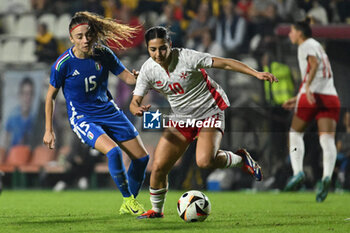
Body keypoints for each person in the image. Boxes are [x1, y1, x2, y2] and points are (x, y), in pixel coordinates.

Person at [129, 26, 278, 218]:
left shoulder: (187, 57)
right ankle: (156, 211)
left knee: (205, 161)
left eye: (163, 48)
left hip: (210, 111)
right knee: (158, 167)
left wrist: (256, 73)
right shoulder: (148, 70)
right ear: (147, 49)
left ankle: (241, 159)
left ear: (170, 45)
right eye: (153, 49)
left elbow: (225, 64)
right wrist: (137, 110)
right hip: (181, 118)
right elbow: (134, 102)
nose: (159, 53)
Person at [43, 11, 149, 215]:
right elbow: (50, 97)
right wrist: (49, 130)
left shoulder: (103, 53)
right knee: (113, 151)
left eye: (88, 35)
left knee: (142, 159)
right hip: (83, 117)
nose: (85, 40)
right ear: (71, 38)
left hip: (110, 111)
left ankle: (129, 203)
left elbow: (127, 77)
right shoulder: (63, 64)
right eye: (80, 36)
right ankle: (128, 199)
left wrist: (141, 77)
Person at [282, 18, 340, 202]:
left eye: (292, 31)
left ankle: (298, 172)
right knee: (327, 139)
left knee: (295, 134)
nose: (290, 34)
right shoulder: (318, 45)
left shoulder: (305, 45)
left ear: (299, 33)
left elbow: (313, 65)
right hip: (330, 96)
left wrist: (306, 89)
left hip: (312, 96)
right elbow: (318, 71)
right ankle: (326, 177)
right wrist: (297, 97)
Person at [2, 77, 36, 152]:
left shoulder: (35, 119)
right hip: (13, 158)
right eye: (25, 93)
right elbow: (6, 141)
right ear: (20, 95)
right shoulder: (12, 117)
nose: (28, 97)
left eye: (31, 93)